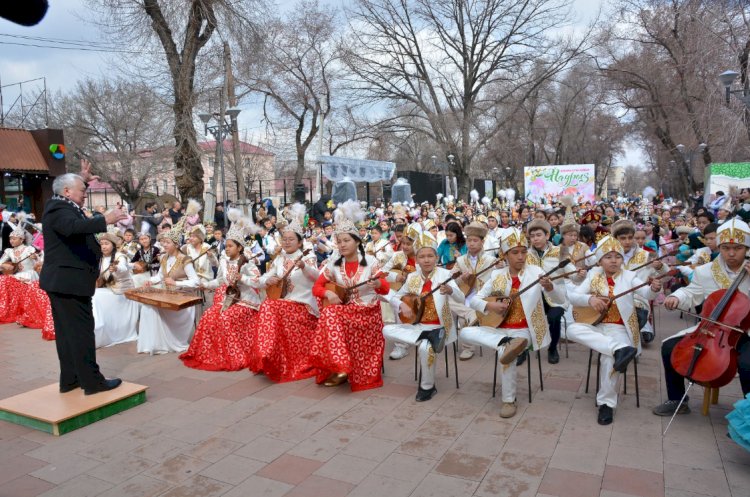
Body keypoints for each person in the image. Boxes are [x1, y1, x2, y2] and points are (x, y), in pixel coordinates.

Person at [40, 164, 128, 395]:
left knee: (69, 334)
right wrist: (105, 218)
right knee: (81, 333)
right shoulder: (57, 208)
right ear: (67, 191)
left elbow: (74, 215)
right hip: (68, 282)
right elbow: (73, 228)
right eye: (82, 189)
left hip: (67, 281)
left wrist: (82, 178)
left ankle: (71, 379)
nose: (86, 193)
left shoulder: (63, 204)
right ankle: (92, 382)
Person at [462, 228, 564, 418]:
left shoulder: (537, 272)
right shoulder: (496, 275)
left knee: (505, 353)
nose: (520, 256)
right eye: (515, 252)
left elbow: (559, 299)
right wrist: (490, 306)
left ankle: (509, 400)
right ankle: (507, 345)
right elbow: (475, 300)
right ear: (506, 255)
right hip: (499, 329)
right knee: (464, 333)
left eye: (523, 251)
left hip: (524, 331)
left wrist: (550, 287)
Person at [654, 218, 750, 416]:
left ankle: (747, 414)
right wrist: (675, 297)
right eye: (725, 248)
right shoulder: (706, 271)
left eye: (738, 248)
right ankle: (677, 400)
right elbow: (691, 293)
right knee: (670, 348)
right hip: (714, 330)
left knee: (747, 363)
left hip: (745, 331)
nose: (731, 253)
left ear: (747, 247)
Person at [566, 235, 662, 425]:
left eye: (617, 256)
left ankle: (606, 404)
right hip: (595, 325)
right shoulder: (593, 275)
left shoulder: (629, 276)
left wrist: (654, 288)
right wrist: (590, 300)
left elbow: (645, 293)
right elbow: (574, 296)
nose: (613, 260)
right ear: (600, 260)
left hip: (619, 328)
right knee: (572, 330)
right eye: (608, 257)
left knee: (609, 359)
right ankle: (619, 349)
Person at [310, 200, 390, 391]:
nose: (342, 244)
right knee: (330, 313)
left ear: (357, 241)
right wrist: (328, 292)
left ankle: (340, 367)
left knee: (330, 315)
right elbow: (317, 287)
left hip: (367, 314)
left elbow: (385, 288)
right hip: (346, 313)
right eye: (339, 241)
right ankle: (339, 365)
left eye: (346, 240)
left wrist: (378, 283)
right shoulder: (335, 263)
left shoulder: (370, 262)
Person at [383, 226, 464, 402]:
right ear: (417, 260)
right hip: (418, 326)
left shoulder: (445, 274)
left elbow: (461, 298)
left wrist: (450, 290)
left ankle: (427, 387)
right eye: (422, 256)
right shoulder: (412, 277)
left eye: (430, 256)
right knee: (386, 330)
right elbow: (395, 296)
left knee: (425, 347)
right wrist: (401, 305)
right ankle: (427, 337)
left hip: (440, 326)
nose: (426, 260)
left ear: (436, 257)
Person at [180, 211, 262, 371]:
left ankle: (235, 356)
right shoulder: (224, 261)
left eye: (231, 246)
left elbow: (259, 283)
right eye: (227, 246)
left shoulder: (246, 263)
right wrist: (206, 285)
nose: (227, 249)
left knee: (225, 318)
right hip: (229, 300)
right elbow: (220, 281)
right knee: (209, 316)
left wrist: (243, 278)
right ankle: (210, 354)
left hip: (246, 301)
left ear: (239, 247)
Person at [251, 203, 320, 382]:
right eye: (284, 239)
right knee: (269, 306)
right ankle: (267, 356)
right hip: (283, 305)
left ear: (299, 242)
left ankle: (270, 356)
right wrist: (268, 281)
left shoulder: (308, 257)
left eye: (291, 239)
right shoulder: (280, 260)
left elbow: (318, 278)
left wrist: (304, 267)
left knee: (270, 308)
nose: (287, 242)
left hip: (303, 306)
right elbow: (261, 280)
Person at [137, 223, 200, 354]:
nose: (164, 245)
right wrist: (150, 281)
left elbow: (196, 281)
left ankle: (166, 342)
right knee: (147, 307)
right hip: (168, 295)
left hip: (183, 300)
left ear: (176, 244)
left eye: (168, 242)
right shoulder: (164, 258)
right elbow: (160, 276)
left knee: (153, 308)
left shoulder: (185, 259)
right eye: (163, 242)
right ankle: (153, 343)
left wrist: (176, 283)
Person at [450, 222, 498, 361]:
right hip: (464, 295)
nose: (471, 244)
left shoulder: (491, 260)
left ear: (482, 242)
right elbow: (451, 280)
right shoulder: (460, 260)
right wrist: (461, 278)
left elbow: (497, 280)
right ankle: (469, 316)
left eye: (475, 240)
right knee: (445, 299)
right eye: (469, 240)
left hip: (483, 295)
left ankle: (467, 347)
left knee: (467, 307)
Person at [91, 228, 138, 348]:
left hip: (122, 291)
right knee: (92, 294)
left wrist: (116, 269)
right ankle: (97, 329)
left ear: (113, 245)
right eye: (101, 244)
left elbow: (123, 267)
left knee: (95, 296)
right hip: (110, 289)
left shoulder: (120, 256)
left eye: (106, 244)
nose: (103, 247)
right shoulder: (101, 258)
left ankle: (100, 329)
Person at [0, 225, 39, 323]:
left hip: (29, 274)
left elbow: (38, 263)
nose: (11, 241)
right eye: (10, 239)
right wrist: (5, 265)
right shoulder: (9, 251)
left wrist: (34, 258)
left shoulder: (29, 249)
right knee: (4, 280)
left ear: (21, 240)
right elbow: (0, 262)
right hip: (18, 275)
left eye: (14, 239)